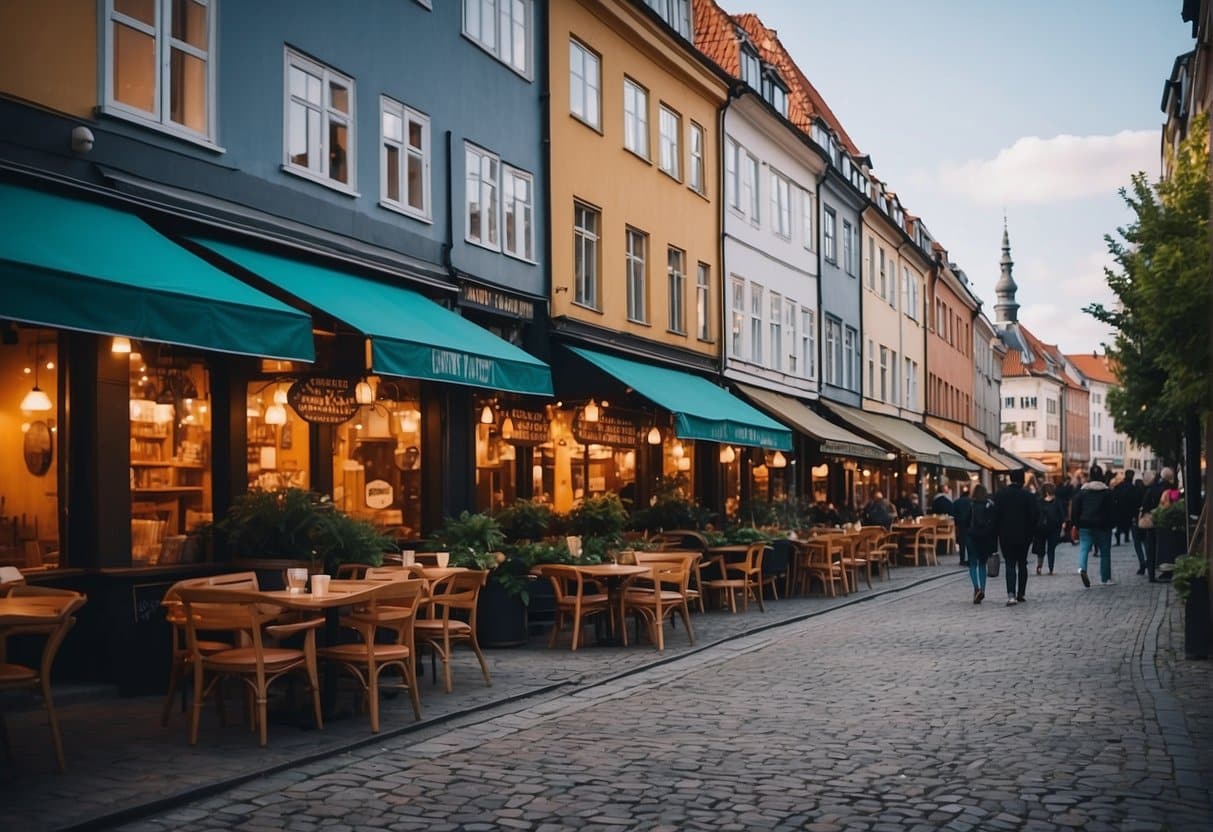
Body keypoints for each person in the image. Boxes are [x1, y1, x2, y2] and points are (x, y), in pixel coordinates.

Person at [993, 468, 1038, 605]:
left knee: (1010, 564)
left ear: (1010, 479)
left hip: (1006, 535)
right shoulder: (1028, 496)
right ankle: (1021, 593)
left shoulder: (1001, 495)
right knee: (1022, 563)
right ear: (1022, 480)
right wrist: (1031, 533)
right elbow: (1035, 516)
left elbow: (996, 516)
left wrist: (997, 533)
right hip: (1024, 536)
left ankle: (1011, 595)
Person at [1071, 463, 1114, 587]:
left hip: (1085, 524)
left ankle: (1082, 568)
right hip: (1103, 525)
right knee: (1105, 552)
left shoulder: (1082, 492)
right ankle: (1105, 578)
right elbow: (1112, 510)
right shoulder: (1106, 492)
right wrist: (1111, 524)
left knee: (1084, 548)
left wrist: (1075, 523)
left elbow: (1075, 509)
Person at [966, 484, 997, 604]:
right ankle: (982, 589)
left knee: (973, 564)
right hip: (984, 537)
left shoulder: (971, 504)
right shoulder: (989, 505)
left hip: (972, 536)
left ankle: (976, 588)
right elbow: (993, 523)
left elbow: (965, 520)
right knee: (982, 564)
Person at [1034, 482, 1065, 575]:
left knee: (1041, 549)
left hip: (1041, 529)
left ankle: (1039, 566)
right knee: (1051, 550)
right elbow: (1062, 515)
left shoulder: (1038, 501)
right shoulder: (1057, 501)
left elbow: (1035, 515)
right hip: (1054, 529)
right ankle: (1051, 569)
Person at [1130, 472, 1149, 575]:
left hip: (1135, 521)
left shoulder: (1133, 492)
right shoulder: (1146, 491)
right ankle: (1148, 561)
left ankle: (1142, 562)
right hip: (1145, 520)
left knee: (1137, 544)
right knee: (1146, 542)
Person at [1112, 470, 1137, 546]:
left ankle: (1118, 540)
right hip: (1130, 509)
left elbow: (1114, 497)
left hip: (1119, 508)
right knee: (1128, 523)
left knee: (1119, 525)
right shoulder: (1133, 488)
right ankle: (1126, 537)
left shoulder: (1119, 486)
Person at [953, 486, 973, 566]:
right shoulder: (971, 501)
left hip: (960, 524)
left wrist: (957, 522)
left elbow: (953, 513)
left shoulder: (957, 502)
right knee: (970, 543)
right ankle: (970, 559)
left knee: (962, 542)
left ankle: (962, 560)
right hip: (969, 524)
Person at [1055, 473, 1076, 545]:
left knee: (1061, 522)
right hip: (1065, 506)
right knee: (1067, 522)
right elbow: (1071, 497)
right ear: (1067, 480)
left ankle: (1062, 537)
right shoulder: (1069, 487)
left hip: (1059, 506)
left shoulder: (1057, 487)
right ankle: (1069, 537)